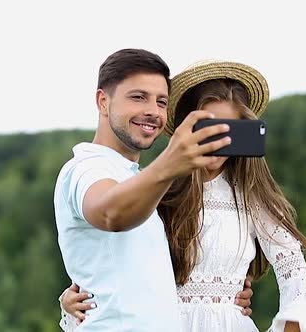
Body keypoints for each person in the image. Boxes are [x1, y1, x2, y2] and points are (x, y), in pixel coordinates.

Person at [62, 59, 306, 331]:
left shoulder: (252, 197)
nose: (216, 142)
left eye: (228, 131)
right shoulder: (157, 190)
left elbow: (295, 276)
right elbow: (119, 259)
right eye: (206, 128)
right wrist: (72, 299)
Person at [53, 49, 253, 332]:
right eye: (138, 97)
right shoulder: (86, 168)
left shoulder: (138, 180)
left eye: (161, 102)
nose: (152, 111)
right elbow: (111, 213)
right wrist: (170, 163)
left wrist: (225, 293)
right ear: (103, 102)